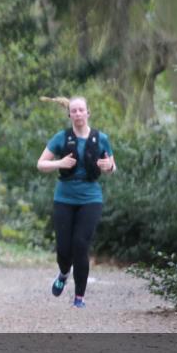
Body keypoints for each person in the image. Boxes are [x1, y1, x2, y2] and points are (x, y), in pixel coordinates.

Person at [36, 96, 116, 308]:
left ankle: (79, 297)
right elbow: (41, 163)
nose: (78, 114)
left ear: (88, 112)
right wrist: (59, 163)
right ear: (69, 114)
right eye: (74, 111)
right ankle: (63, 273)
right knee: (63, 249)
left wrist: (108, 166)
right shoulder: (61, 138)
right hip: (64, 197)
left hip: (91, 198)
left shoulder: (101, 139)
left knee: (81, 244)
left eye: (82, 110)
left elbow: (112, 167)